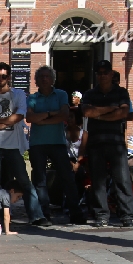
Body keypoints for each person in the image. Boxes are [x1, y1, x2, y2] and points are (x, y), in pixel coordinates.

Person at [0, 62, 47, 226]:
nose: (0, 79)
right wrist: (7, 122)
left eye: (4, 76)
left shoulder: (18, 94)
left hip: (14, 145)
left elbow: (19, 116)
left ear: (9, 77)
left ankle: (36, 216)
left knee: (24, 181)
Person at [79, 59, 133, 227]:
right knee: (98, 181)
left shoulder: (121, 92)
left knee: (122, 179)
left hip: (116, 142)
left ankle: (127, 215)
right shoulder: (90, 93)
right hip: (96, 142)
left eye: (105, 72)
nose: (102, 76)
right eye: (99, 73)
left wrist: (98, 115)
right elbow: (86, 111)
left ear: (111, 74)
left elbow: (124, 113)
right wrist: (112, 108)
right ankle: (101, 214)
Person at [26, 65, 83, 225]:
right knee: (40, 180)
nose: (44, 79)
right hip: (37, 143)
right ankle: (43, 214)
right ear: (36, 80)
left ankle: (75, 213)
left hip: (57, 142)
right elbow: (30, 118)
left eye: (47, 76)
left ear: (53, 79)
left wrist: (42, 119)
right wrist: (52, 113)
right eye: (41, 76)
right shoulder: (32, 97)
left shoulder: (61, 94)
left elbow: (64, 115)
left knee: (67, 178)